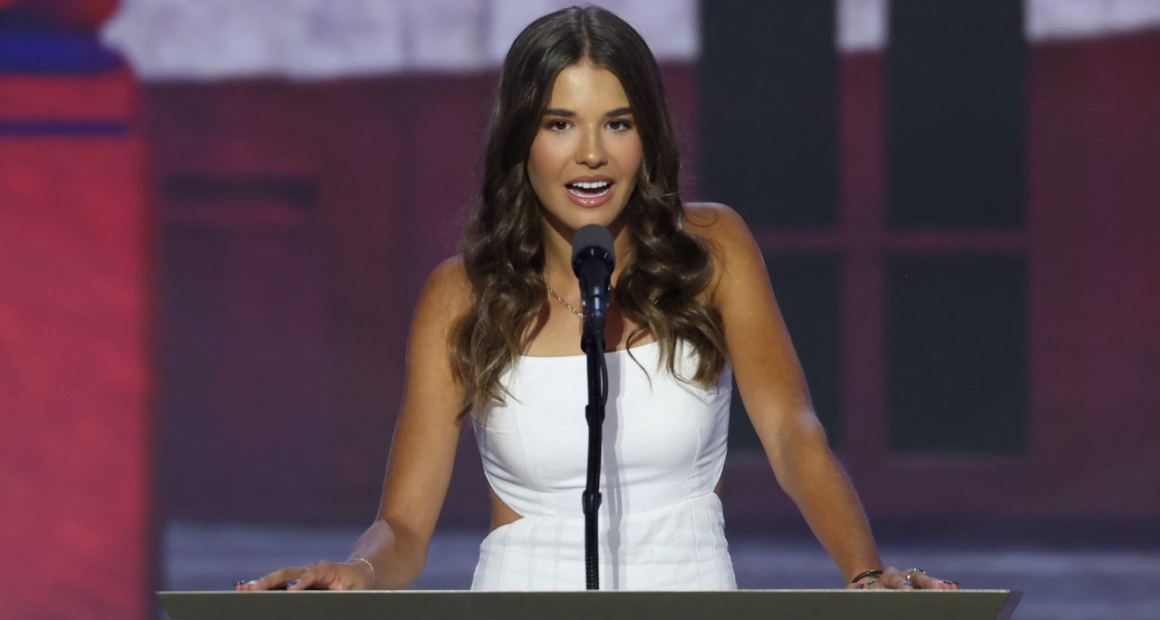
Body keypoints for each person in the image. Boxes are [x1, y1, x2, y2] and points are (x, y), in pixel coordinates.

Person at [237, 5, 958, 592]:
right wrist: (358, 570)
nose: (592, 153)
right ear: (523, 140)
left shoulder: (713, 250)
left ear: (647, 134)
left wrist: (866, 577)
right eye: (560, 124)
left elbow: (792, 435)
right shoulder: (460, 295)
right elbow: (407, 526)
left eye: (617, 122)